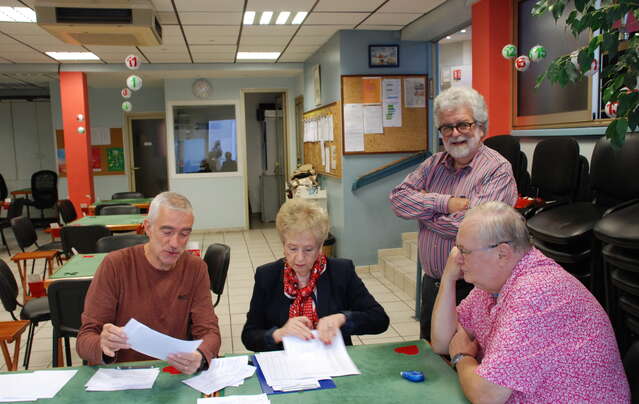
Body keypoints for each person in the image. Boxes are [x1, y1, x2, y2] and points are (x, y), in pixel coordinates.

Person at [431, 202, 630, 403]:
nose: (456, 258)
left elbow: (487, 395)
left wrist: (462, 357)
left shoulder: (535, 293)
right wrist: (448, 278)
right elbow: (442, 341)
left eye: (463, 251)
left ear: (502, 253)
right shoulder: (494, 284)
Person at [389, 86, 517, 340]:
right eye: (447, 127)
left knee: (468, 361)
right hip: (433, 285)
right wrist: (446, 203)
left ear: (481, 127)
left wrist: (424, 212)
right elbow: (398, 200)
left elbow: (475, 231)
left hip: (476, 291)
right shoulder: (433, 164)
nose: (455, 133)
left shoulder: (497, 169)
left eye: (463, 125)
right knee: (433, 357)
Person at [77, 192, 221, 375]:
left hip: (174, 375)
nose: (175, 243)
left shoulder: (195, 268)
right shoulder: (115, 266)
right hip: (123, 376)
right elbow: (84, 340)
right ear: (148, 228)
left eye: (184, 234)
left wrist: (200, 355)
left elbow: (210, 332)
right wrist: (102, 344)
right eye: (167, 232)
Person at [242, 199, 389, 352]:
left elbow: (380, 319)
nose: (299, 258)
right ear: (283, 245)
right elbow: (249, 336)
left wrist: (342, 318)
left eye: (308, 249)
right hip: (284, 364)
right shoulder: (267, 276)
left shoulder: (341, 272)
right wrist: (279, 333)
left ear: (320, 248)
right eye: (292, 248)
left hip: (332, 361)